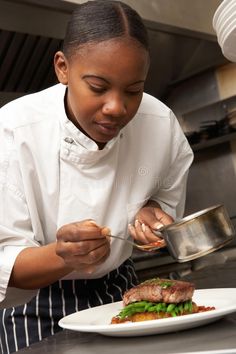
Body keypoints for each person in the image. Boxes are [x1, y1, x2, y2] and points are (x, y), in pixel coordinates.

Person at [0, 0, 193, 352]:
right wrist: (63, 255)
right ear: (62, 68)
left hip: (122, 290)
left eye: (134, 90)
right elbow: (4, 263)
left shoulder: (160, 124)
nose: (117, 108)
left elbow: (165, 195)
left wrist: (150, 210)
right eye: (98, 87)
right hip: (33, 306)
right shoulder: (13, 131)